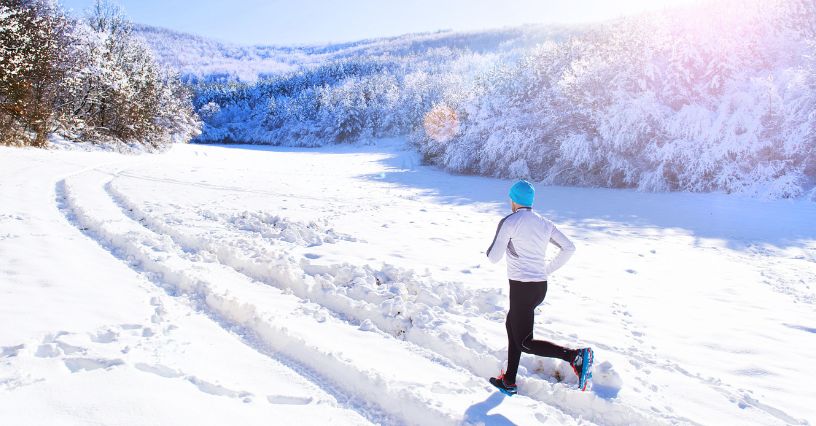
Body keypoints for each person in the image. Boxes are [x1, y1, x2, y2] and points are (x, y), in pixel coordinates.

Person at [486, 180, 593, 395]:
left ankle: (575, 356)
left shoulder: (510, 221)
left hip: (521, 289)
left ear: (514, 200)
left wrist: (506, 245)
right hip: (539, 288)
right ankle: (509, 380)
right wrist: (546, 270)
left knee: (524, 342)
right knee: (512, 326)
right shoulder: (544, 223)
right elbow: (569, 248)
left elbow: (493, 257)